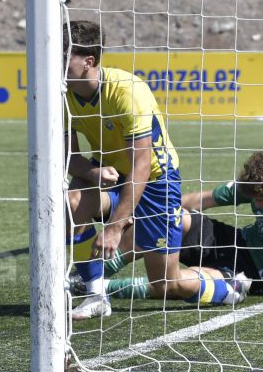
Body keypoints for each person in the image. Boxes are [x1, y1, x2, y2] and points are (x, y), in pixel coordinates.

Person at [63, 20, 241, 321]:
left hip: (156, 181)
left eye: (64, 56)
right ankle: (96, 296)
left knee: (165, 285)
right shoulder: (62, 94)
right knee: (74, 201)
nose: (55, 63)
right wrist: (93, 174)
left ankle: (229, 287)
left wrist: (115, 227)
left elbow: (142, 165)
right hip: (111, 176)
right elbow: (67, 157)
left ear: (88, 62)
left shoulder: (126, 92)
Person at [74, 152, 263, 300]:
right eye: (256, 199)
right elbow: (199, 200)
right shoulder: (256, 184)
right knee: (164, 219)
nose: (258, 204)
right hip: (236, 241)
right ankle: (90, 274)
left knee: (175, 284)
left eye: (261, 199)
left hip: (251, 272)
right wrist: (144, 213)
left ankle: (102, 287)